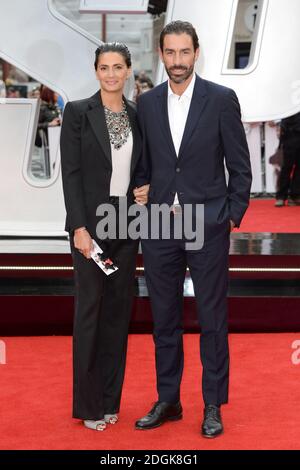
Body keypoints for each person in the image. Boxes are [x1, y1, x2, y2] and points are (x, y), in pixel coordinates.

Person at [133, 21, 252, 438]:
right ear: (161, 53)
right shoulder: (146, 103)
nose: (178, 61)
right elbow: (143, 163)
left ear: (196, 53)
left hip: (208, 224)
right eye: (171, 53)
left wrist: (230, 215)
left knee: (212, 318)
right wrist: (139, 189)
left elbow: (239, 164)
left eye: (185, 53)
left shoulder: (220, 100)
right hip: (160, 225)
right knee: (164, 318)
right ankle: (169, 399)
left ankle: (213, 404)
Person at [60, 42, 144, 431]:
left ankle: (111, 401)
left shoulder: (137, 116)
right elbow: (71, 174)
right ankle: (89, 406)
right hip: (89, 228)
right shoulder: (77, 112)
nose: (111, 74)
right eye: (104, 67)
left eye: (118, 67)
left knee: (117, 315)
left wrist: (146, 188)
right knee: (90, 313)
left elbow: (142, 168)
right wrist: (78, 226)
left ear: (128, 71)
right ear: (96, 71)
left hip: (125, 223)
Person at [275, 112, 300, 206]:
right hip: (289, 136)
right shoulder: (290, 101)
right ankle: (281, 196)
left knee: (299, 169)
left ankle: (295, 195)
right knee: (286, 168)